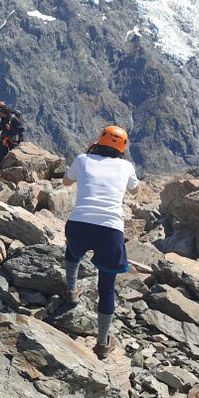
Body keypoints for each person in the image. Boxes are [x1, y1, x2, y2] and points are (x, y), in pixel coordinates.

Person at [61, 125, 139, 359]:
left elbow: (66, 182)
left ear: (99, 141)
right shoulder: (126, 166)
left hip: (79, 225)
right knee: (106, 287)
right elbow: (135, 191)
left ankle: (72, 290)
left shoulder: (82, 159)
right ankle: (103, 342)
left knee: (73, 253)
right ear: (123, 148)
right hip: (110, 231)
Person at [0, 102, 25, 168]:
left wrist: (10, 128)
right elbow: (2, 128)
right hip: (5, 138)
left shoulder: (13, 118)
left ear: (2, 111)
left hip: (13, 140)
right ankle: (0, 170)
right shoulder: (2, 118)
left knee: (13, 158)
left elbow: (22, 129)